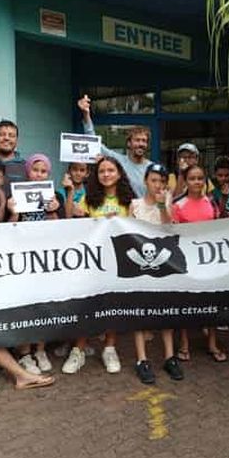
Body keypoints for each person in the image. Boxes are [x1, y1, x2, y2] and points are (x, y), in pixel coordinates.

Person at [62, 156, 133, 374]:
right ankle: (78, 350)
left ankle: (109, 349)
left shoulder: (128, 200)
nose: (106, 174)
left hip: (118, 261)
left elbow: (133, 229)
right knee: (88, 304)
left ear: (119, 174)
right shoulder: (90, 198)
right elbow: (69, 218)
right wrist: (70, 191)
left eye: (110, 170)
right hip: (93, 261)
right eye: (102, 171)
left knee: (113, 304)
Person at [128, 163, 184, 384]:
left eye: (161, 181)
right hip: (141, 266)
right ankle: (142, 359)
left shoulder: (168, 202)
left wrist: (162, 205)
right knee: (140, 312)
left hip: (164, 264)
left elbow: (169, 227)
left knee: (165, 311)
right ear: (146, 181)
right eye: (153, 180)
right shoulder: (135, 205)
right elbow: (128, 233)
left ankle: (169, 357)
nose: (157, 185)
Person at [7, 153, 61, 373]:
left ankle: (40, 349)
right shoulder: (15, 195)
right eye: (35, 170)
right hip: (22, 257)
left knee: (43, 304)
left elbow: (59, 228)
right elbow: (9, 228)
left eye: (43, 171)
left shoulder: (54, 195)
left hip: (44, 258)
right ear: (27, 171)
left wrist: (53, 210)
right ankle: (24, 353)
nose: (38, 174)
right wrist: (13, 212)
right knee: (24, 306)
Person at [171, 165, 227, 364]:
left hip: (208, 260)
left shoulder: (211, 202)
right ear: (186, 181)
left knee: (211, 301)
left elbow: (219, 227)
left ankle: (212, 343)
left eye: (200, 178)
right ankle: (184, 344)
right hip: (186, 261)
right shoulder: (178, 205)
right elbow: (172, 233)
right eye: (192, 178)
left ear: (205, 181)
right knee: (185, 302)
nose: (197, 182)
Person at [77, 95, 151, 197]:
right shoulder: (118, 161)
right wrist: (86, 115)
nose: (141, 144)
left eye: (144, 141)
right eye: (137, 140)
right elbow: (95, 144)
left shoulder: (151, 168)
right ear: (129, 143)